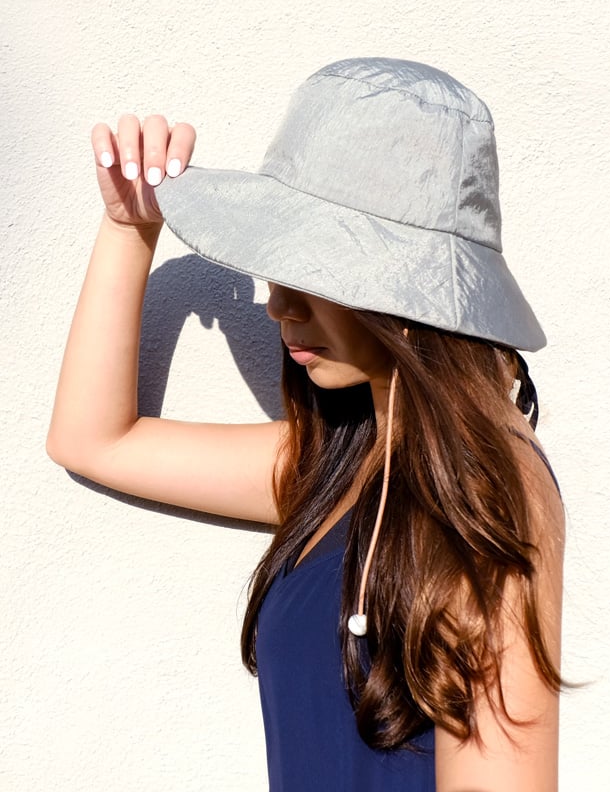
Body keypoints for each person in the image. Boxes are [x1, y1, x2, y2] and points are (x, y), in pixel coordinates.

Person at [47, 56, 565, 791]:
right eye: (277, 267)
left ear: (412, 291)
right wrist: (131, 228)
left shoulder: (487, 479)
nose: (278, 307)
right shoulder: (338, 463)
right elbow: (93, 440)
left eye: (316, 273)